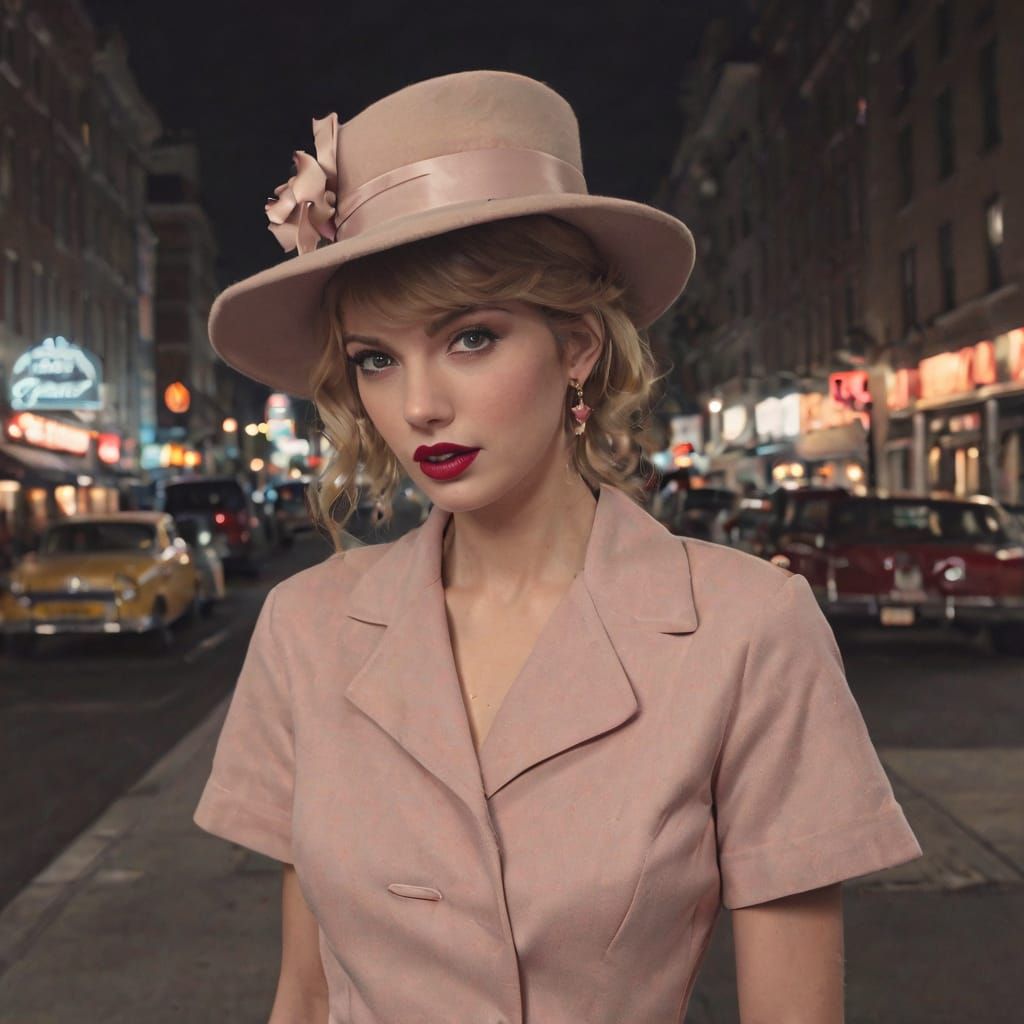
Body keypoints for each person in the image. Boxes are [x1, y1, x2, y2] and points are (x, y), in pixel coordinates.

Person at [193, 71, 922, 1024]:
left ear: (577, 347)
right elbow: (305, 991)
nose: (419, 405)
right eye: (377, 358)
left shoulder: (747, 629)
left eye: (471, 339)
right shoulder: (307, 625)